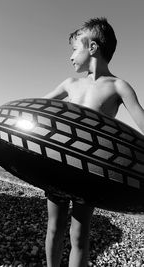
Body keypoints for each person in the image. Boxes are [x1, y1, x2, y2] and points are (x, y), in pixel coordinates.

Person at [44, 17, 144, 267]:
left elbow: (141, 121)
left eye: (74, 48)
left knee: (79, 235)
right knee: (54, 228)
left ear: (93, 48)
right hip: (58, 165)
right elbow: (40, 109)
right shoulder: (70, 84)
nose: (70, 56)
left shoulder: (119, 86)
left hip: (89, 173)